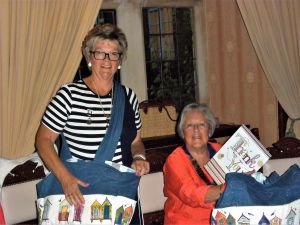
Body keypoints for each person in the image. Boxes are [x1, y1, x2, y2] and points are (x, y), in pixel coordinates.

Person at [35, 23, 150, 224]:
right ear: (89, 57)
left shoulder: (129, 96)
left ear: (119, 60)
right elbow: (43, 141)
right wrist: (65, 179)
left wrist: (139, 156)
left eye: (113, 54)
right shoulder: (68, 95)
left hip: (121, 195)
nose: (107, 60)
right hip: (79, 194)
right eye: (100, 53)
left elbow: (136, 141)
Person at [163, 103, 225, 225]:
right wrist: (231, 189)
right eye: (190, 125)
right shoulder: (175, 160)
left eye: (201, 125)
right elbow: (192, 194)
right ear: (182, 131)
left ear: (209, 129)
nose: (196, 130)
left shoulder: (218, 150)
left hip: (223, 219)